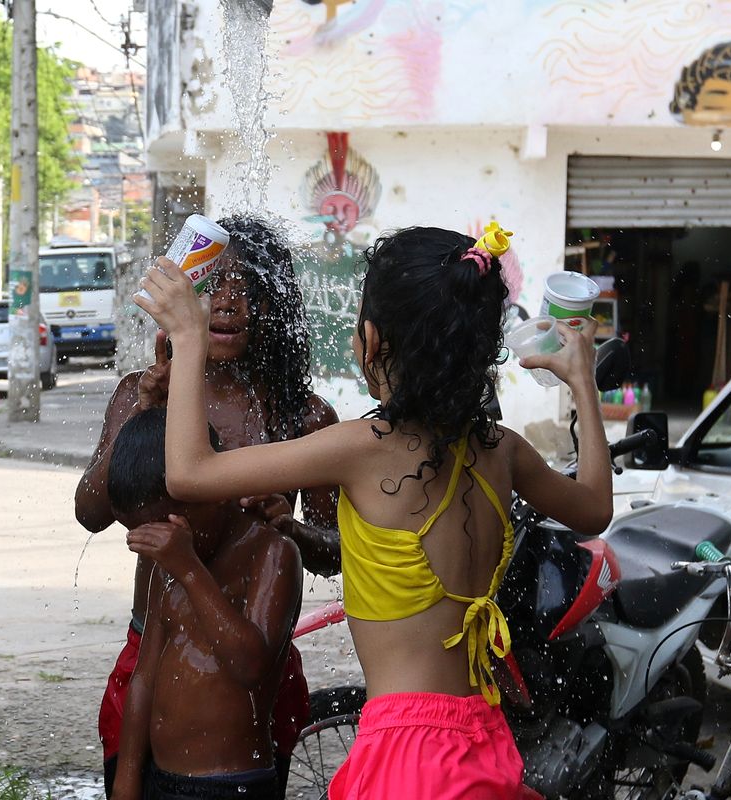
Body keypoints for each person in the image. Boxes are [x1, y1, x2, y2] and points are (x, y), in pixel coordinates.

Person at [137, 225, 613, 798]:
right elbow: (593, 509)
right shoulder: (501, 449)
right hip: (482, 737)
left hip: (406, 755)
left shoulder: (365, 448)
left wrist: (189, 337)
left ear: (370, 339)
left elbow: (189, 473)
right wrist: (583, 382)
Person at [80, 215, 339, 794]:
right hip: (152, 647)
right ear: (185, 295)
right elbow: (91, 512)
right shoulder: (142, 393)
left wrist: (289, 528)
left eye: (247, 287)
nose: (227, 302)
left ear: (275, 305)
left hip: (252, 659)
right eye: (212, 284)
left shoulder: (303, 418)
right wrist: (141, 413)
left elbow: (335, 552)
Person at [108, 407, 302, 800]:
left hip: (232, 784)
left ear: (207, 492)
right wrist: (127, 779)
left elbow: (250, 666)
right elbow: (143, 679)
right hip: (162, 779)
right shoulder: (170, 566)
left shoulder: (271, 554)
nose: (158, 549)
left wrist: (191, 570)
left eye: (162, 532)